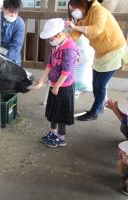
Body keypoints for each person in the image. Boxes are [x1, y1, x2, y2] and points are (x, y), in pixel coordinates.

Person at [64, 0, 128, 121]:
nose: (72, 12)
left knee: (100, 85)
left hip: (114, 49)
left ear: (82, 5)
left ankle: (94, 112)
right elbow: (74, 35)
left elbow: (97, 30)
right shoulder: (82, 18)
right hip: (101, 52)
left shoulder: (98, 10)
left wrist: (74, 26)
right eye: (70, 10)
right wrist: (63, 41)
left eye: (74, 9)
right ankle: (99, 107)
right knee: (95, 83)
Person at [34, 18, 79, 147]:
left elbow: (66, 71)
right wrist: (42, 80)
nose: (50, 42)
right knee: (53, 111)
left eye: (50, 39)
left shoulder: (70, 48)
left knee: (61, 113)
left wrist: (57, 86)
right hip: (54, 84)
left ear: (59, 35)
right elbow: (49, 64)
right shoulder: (56, 45)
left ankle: (61, 137)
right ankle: (52, 132)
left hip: (64, 86)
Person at [0, 0, 25, 66]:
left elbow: (16, 46)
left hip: (13, 58)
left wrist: (4, 61)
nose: (13, 15)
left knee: (14, 74)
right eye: (10, 12)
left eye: (16, 13)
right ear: (3, 8)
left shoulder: (20, 24)